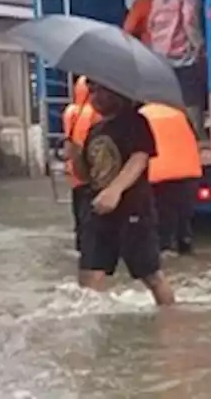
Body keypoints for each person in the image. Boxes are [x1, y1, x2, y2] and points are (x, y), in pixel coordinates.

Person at [75, 81, 176, 305]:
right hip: (98, 210)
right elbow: (85, 174)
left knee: (150, 274)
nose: (95, 97)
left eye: (102, 90)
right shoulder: (95, 130)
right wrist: (73, 152)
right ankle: (95, 329)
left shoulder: (135, 122)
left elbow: (139, 158)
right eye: (91, 91)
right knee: (90, 273)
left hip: (133, 209)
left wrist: (115, 191)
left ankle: (169, 318)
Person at [122, 0, 206, 137]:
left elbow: (135, 29)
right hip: (183, 57)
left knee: (161, 99)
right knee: (191, 99)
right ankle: (195, 136)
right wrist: (199, 46)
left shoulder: (157, 0)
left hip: (158, 57)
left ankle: (161, 135)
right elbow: (190, 23)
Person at [141, 102, 203, 256]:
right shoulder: (179, 114)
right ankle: (185, 247)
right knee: (183, 218)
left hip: (159, 175)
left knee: (161, 220)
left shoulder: (142, 115)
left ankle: (165, 251)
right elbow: (195, 138)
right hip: (188, 173)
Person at [62, 76, 99, 252]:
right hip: (91, 172)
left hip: (75, 171)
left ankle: (82, 248)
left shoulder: (71, 112)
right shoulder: (94, 113)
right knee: (92, 216)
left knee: (80, 214)